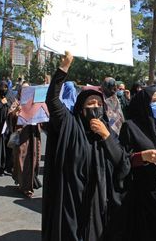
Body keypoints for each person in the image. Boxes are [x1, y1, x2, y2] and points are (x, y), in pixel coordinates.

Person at [42, 52, 131, 241]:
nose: (96, 107)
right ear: (81, 108)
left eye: (99, 104)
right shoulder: (70, 125)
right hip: (71, 199)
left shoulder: (107, 132)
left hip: (97, 202)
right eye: (91, 103)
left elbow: (122, 163)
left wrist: (106, 136)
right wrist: (63, 68)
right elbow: (53, 101)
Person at [116, 85, 156, 241]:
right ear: (145, 104)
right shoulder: (131, 127)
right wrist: (142, 157)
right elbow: (120, 160)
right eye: (155, 100)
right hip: (142, 195)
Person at [7, 81, 42, 198]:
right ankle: (26, 187)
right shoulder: (17, 102)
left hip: (34, 136)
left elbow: (43, 118)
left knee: (34, 159)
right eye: (24, 89)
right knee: (22, 159)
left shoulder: (36, 103)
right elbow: (10, 116)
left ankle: (29, 183)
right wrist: (16, 112)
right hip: (21, 136)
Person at [0, 80, 15, 176]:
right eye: (1, 88)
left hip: (8, 128)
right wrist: (1, 103)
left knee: (9, 149)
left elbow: (14, 109)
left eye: (5, 88)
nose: (3, 90)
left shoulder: (11, 97)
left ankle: (9, 167)